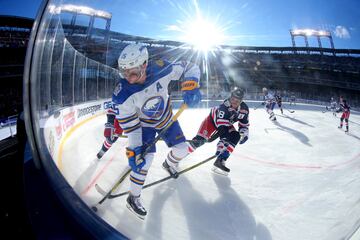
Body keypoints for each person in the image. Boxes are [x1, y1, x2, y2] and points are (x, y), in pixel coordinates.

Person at [112, 43, 201, 219]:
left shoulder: (162, 69)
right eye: (124, 73)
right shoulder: (122, 94)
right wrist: (135, 149)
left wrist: (192, 85)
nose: (129, 78)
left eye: (133, 72)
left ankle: (169, 164)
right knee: (144, 160)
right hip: (143, 125)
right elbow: (131, 126)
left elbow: (190, 66)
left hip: (167, 119)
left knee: (182, 149)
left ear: (144, 64)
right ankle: (133, 197)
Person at [188, 88, 249, 175]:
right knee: (198, 142)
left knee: (236, 136)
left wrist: (244, 132)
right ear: (230, 97)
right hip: (211, 121)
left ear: (241, 101)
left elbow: (244, 123)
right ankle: (178, 155)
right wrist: (221, 146)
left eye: (237, 100)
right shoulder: (224, 107)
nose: (234, 102)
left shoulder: (244, 109)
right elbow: (222, 129)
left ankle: (220, 160)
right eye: (232, 99)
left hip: (226, 123)